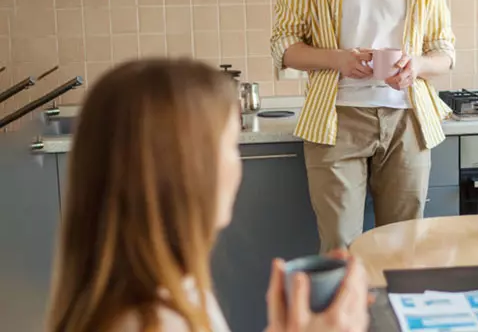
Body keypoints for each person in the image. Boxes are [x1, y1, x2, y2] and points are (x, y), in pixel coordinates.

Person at [45, 58, 369, 332]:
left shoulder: (163, 297)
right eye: (230, 145)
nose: (237, 163)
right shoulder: (156, 321)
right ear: (186, 173)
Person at [270, 0, 455, 253]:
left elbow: (444, 51)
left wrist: (417, 66)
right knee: (340, 250)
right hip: (336, 119)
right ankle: (343, 318)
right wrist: (339, 59)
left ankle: (392, 318)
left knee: (404, 249)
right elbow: (283, 45)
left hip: (407, 121)